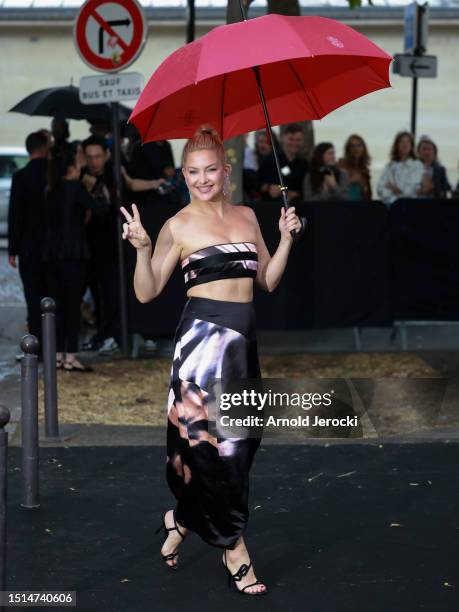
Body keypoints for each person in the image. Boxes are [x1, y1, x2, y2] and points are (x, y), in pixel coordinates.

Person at [120, 124, 302, 596]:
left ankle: (179, 519)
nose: (203, 179)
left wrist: (285, 240)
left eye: (210, 170)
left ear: (225, 171)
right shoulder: (178, 225)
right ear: (184, 174)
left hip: (243, 345)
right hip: (201, 347)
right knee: (216, 451)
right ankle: (234, 550)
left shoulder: (246, 217)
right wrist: (142, 250)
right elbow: (146, 292)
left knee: (244, 445)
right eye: (193, 172)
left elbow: (268, 282)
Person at [43, 144, 110, 371]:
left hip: (51, 253)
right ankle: (70, 356)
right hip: (73, 252)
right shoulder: (76, 188)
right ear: (72, 165)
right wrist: (94, 192)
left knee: (56, 306)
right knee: (72, 306)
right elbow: (101, 209)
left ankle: (59, 354)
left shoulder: (50, 189)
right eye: (80, 158)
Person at [7, 131, 49, 353]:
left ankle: (35, 347)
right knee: (51, 296)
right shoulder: (53, 174)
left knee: (33, 298)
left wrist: (13, 250)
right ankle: (54, 344)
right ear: (45, 148)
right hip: (53, 247)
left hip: (29, 247)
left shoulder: (20, 177)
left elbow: (16, 216)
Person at [80, 135, 121, 354]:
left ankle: (109, 334)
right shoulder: (81, 178)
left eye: (97, 156)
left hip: (110, 245)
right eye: (90, 157)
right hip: (87, 246)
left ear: (106, 156)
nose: (94, 162)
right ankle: (101, 333)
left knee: (109, 293)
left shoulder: (113, 178)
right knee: (95, 294)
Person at [257, 123, 308, 204]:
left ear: (302, 141)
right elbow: (258, 184)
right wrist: (269, 187)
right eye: (291, 139)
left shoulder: (304, 164)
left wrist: (294, 194)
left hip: (297, 208)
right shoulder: (270, 159)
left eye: (298, 140)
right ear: (283, 138)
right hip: (270, 207)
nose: (294, 143)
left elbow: (307, 189)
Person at [376, 131, 424, 205]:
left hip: (411, 207)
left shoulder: (417, 165)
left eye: (408, 142)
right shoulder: (389, 166)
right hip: (391, 207)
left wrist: (392, 187)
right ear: (396, 145)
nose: (405, 145)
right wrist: (398, 192)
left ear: (411, 146)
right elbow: (380, 190)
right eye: (401, 142)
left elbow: (409, 191)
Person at [338, 134, 372, 201]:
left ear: (363, 149)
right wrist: (351, 181)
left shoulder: (364, 170)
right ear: (348, 149)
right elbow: (334, 191)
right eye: (352, 146)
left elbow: (368, 197)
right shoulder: (341, 165)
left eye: (359, 146)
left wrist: (363, 187)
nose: (356, 149)